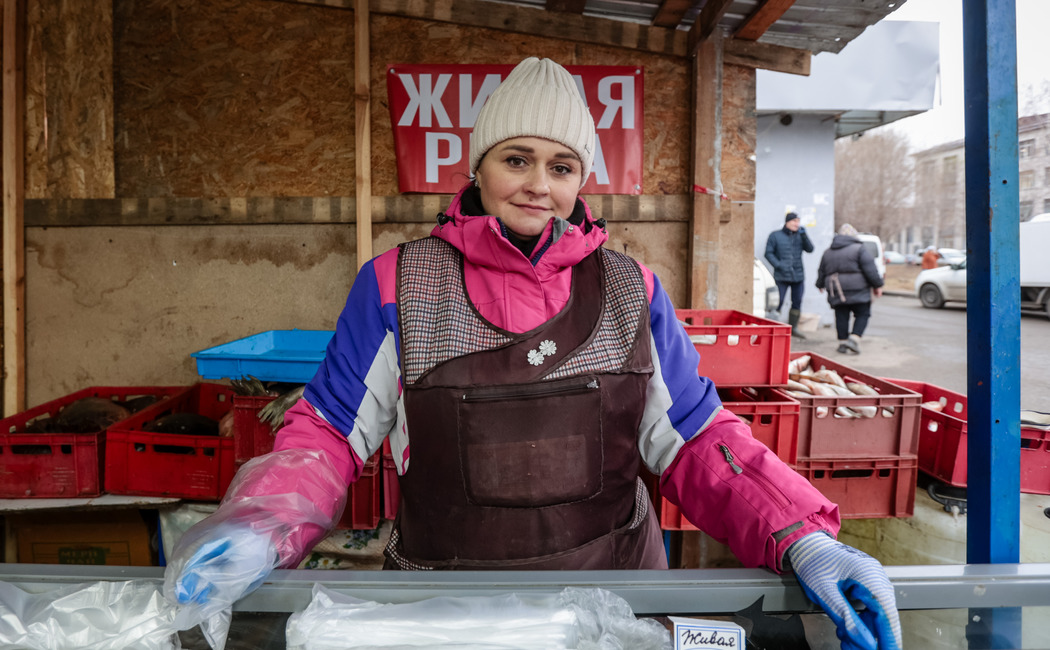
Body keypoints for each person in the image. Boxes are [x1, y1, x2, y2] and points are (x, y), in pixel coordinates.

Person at [163, 57, 901, 650]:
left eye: (562, 166)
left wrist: (799, 534)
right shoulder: (398, 283)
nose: (539, 186)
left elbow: (697, 437)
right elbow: (328, 430)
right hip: (446, 608)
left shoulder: (628, 287)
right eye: (518, 159)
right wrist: (263, 522)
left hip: (615, 607)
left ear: (582, 179)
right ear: (479, 169)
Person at [816, 224, 885, 354]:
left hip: (836, 289)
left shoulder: (828, 252)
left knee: (841, 315)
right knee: (862, 314)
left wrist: (820, 284)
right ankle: (854, 339)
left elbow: (822, 271)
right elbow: (870, 270)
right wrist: (877, 285)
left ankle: (842, 343)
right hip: (859, 289)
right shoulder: (859, 249)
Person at [765, 212, 814, 339]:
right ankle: (774, 328)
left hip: (798, 276)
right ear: (787, 222)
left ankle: (794, 328)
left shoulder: (800, 235)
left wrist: (804, 235)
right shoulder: (775, 236)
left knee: (797, 302)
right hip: (781, 276)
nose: (796, 224)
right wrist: (779, 265)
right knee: (778, 302)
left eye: (798, 221)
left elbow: (810, 249)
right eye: (794, 221)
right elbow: (768, 253)